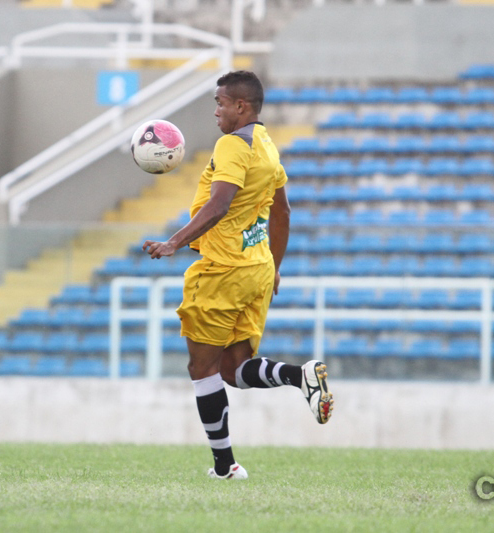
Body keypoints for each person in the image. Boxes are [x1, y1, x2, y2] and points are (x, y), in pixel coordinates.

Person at [143, 70, 333, 480]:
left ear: (241, 106)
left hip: (223, 270)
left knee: (202, 368)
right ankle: (299, 376)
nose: (216, 111)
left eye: (221, 103)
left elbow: (219, 205)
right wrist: (275, 267)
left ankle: (225, 467)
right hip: (257, 269)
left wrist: (174, 242)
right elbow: (283, 213)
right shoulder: (266, 145)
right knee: (233, 369)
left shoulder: (232, 144)